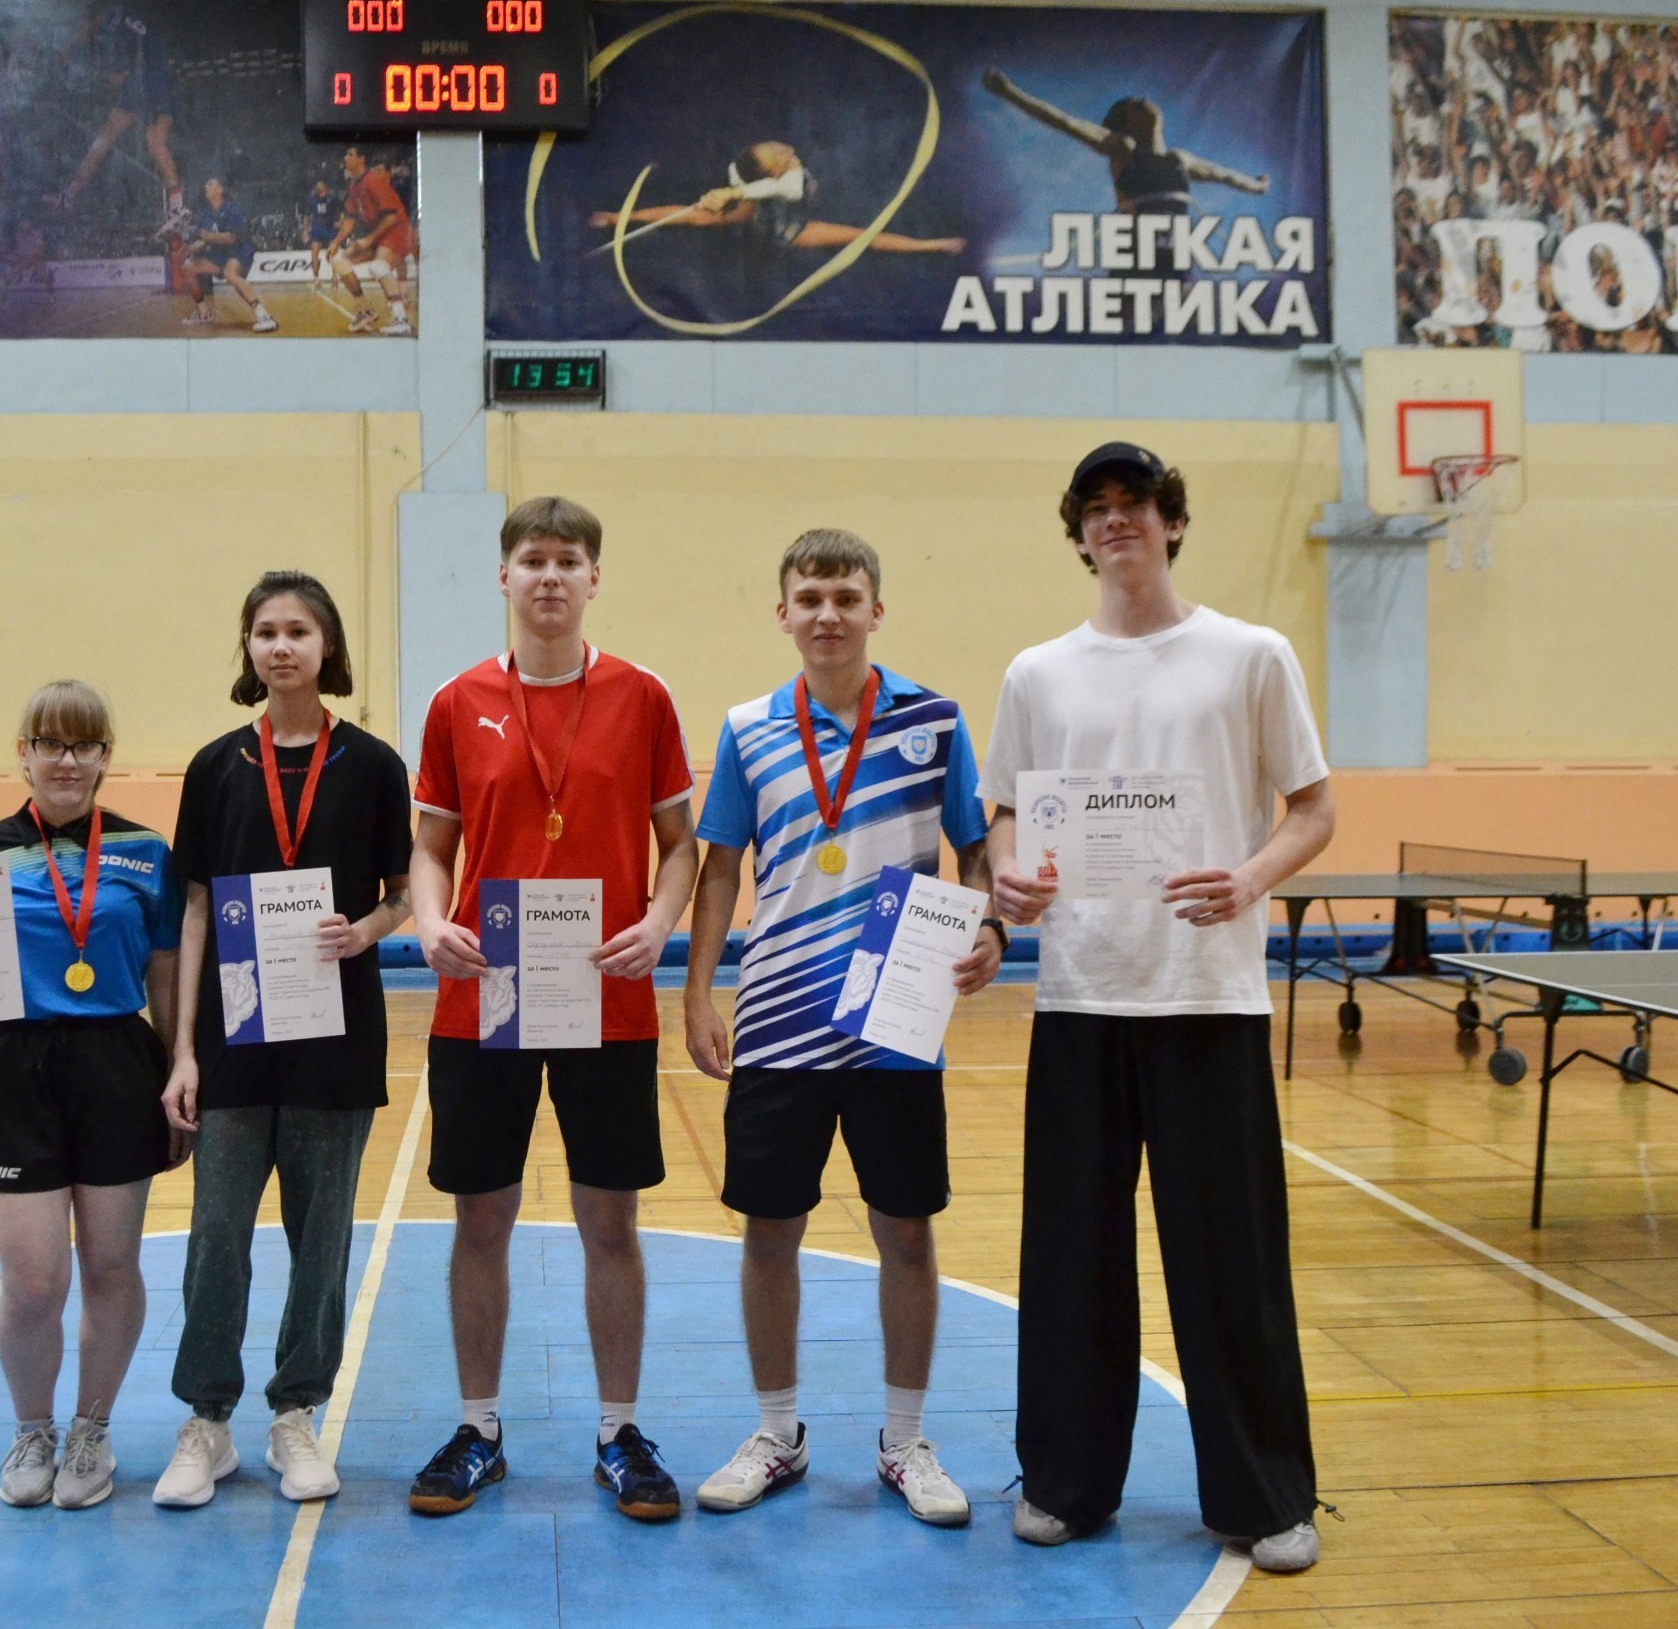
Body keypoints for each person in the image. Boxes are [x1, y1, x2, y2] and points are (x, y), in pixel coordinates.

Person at [979, 442, 1336, 1571]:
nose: (1116, 520)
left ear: (1172, 522)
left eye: (1135, 503)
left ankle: (1265, 1497)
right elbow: (1004, 816)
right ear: (1078, 533)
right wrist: (1010, 876)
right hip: (1081, 1001)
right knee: (1071, 1259)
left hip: (1209, 999)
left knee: (1231, 1261)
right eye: (1096, 508)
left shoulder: (1251, 654)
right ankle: (1065, 1483)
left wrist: (1249, 877)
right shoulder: (1038, 672)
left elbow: (1313, 808)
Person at [682, 529, 1002, 1526]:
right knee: (769, 1229)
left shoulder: (935, 721)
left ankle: (904, 1441)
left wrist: (990, 925)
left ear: (876, 610)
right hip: (779, 1019)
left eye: (846, 596)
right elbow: (720, 867)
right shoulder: (748, 728)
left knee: (904, 1228)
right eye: (810, 597)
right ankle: (777, 1434)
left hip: (895, 1022)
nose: (828, 614)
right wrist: (696, 993)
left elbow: (976, 848)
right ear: (783, 612)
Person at [406, 496, 699, 1522]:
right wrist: (427, 919)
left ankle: (620, 1431)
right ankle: (478, 1429)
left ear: (593, 579)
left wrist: (658, 922)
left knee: (609, 1219)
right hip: (482, 988)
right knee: (480, 1216)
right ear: (503, 576)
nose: (549, 576)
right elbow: (430, 846)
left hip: (607, 993)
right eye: (532, 559)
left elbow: (681, 846)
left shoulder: (644, 696)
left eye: (569, 560)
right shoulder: (456, 700)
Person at [0, 680, 185, 1511]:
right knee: (34, 1281)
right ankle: (32, 1430)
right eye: (50, 743)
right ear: (23, 754)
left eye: (84, 745)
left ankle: (92, 1430)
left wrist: (177, 1065)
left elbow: (164, 970)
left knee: (111, 1266)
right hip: (18, 1068)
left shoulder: (145, 851)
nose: (67, 761)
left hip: (118, 1062)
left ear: (106, 757)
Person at [154, 573, 411, 1508]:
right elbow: (193, 910)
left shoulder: (373, 764)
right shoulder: (216, 765)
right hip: (232, 1041)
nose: (281, 646)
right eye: (264, 631)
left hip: (335, 1041)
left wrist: (363, 932)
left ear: (327, 645)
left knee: (322, 1239)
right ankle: (207, 1421)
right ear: (249, 649)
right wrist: (183, 1052)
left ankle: (296, 1412)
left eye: (298, 630)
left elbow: (404, 894)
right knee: (216, 1235)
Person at [587, 140, 966, 255]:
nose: (785, 150)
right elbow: (764, 191)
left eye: (776, 146)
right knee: (859, 237)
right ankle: (931, 245)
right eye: (778, 157)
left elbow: (769, 186)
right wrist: (723, 197)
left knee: (720, 209)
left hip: (761, 195)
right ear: (771, 170)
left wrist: (731, 191)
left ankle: (931, 244)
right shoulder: (768, 182)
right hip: (785, 229)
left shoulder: (783, 177)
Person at [980, 72, 1269, 222]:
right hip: (1134, 251)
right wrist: (1010, 93)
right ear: (1127, 123)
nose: (1143, 101)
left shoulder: (1180, 159)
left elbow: (1225, 176)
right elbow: (1064, 122)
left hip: (1173, 253)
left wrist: (1256, 187)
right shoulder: (1123, 148)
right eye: (1135, 105)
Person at [50, 0, 185, 238]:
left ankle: (69, 195)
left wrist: (70, 54)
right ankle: (177, 207)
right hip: (166, 78)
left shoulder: (111, 23)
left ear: (96, 15)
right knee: (155, 140)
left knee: (106, 136)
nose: (84, 29)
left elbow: (117, 76)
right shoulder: (126, 15)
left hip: (145, 79)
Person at [332, 146, 416, 336]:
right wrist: (336, 242)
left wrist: (368, 240)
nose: (345, 158)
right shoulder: (353, 187)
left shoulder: (374, 180)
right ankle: (365, 311)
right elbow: (350, 220)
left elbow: (392, 217)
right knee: (339, 259)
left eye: (350, 154)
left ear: (361, 159)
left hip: (398, 230)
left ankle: (401, 319)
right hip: (379, 234)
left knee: (378, 266)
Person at [180, 176, 278, 333]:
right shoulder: (205, 214)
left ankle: (264, 316)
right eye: (206, 184)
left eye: (210, 184)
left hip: (239, 251)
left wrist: (208, 236)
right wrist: (191, 248)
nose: (206, 186)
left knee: (230, 274)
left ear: (219, 190)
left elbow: (230, 237)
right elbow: (203, 241)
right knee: (189, 268)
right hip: (219, 255)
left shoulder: (232, 210)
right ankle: (203, 313)